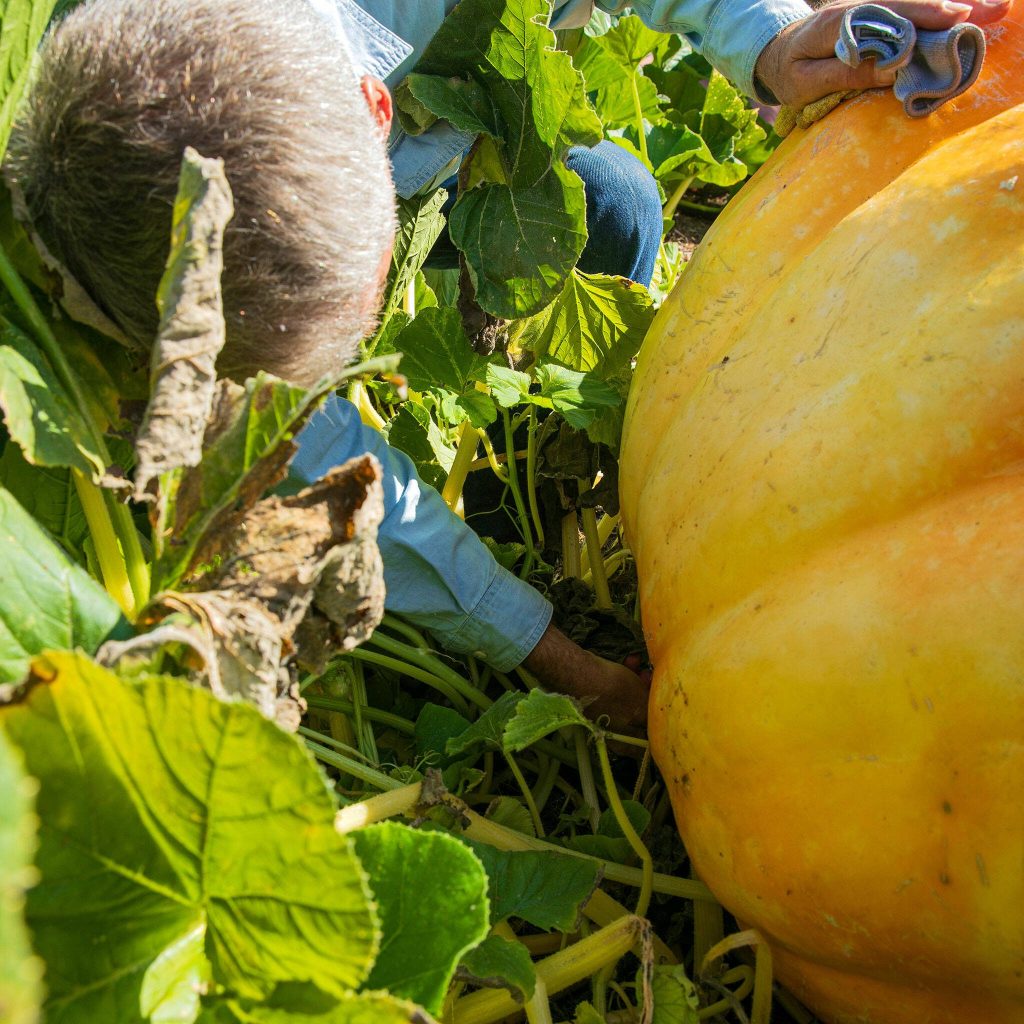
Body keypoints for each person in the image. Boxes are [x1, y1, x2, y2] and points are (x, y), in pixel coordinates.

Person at [7, 0, 1007, 730]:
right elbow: (324, 457)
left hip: (444, 131)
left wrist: (776, 42)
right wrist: (559, 656)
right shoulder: (133, 230)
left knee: (614, 207)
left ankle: (488, 315)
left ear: (377, 105)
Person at [310, 0, 1010, 289]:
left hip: (415, 152)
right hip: (280, 180)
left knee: (613, 202)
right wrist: (498, 607)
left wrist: (774, 43)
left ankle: (505, 492)